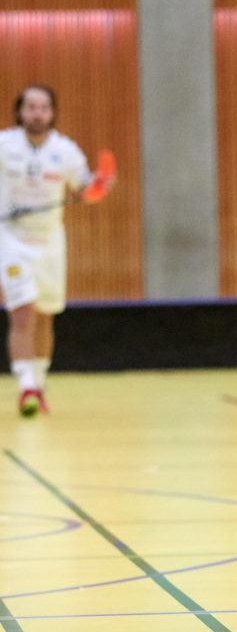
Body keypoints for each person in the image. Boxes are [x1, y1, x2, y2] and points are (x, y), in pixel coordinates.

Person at [0, 85, 113, 416]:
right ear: (19, 111)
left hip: (50, 240)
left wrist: (100, 184)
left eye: (44, 107)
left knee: (45, 316)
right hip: (11, 238)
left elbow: (85, 186)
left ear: (52, 112)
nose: (37, 113)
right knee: (22, 312)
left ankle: (39, 381)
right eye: (30, 107)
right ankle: (26, 388)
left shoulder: (65, 151)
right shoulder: (5, 145)